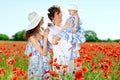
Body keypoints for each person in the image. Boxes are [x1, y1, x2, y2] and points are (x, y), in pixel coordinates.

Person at [47, 5, 76, 75]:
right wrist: (65, 27)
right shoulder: (50, 29)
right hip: (59, 62)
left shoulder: (67, 27)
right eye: (58, 13)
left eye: (60, 13)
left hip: (71, 59)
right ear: (52, 17)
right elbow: (54, 41)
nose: (61, 14)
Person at [24, 10, 50, 80]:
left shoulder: (42, 29)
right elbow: (43, 53)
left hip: (45, 62)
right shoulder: (32, 36)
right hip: (36, 65)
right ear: (38, 20)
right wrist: (45, 37)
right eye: (41, 17)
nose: (43, 17)